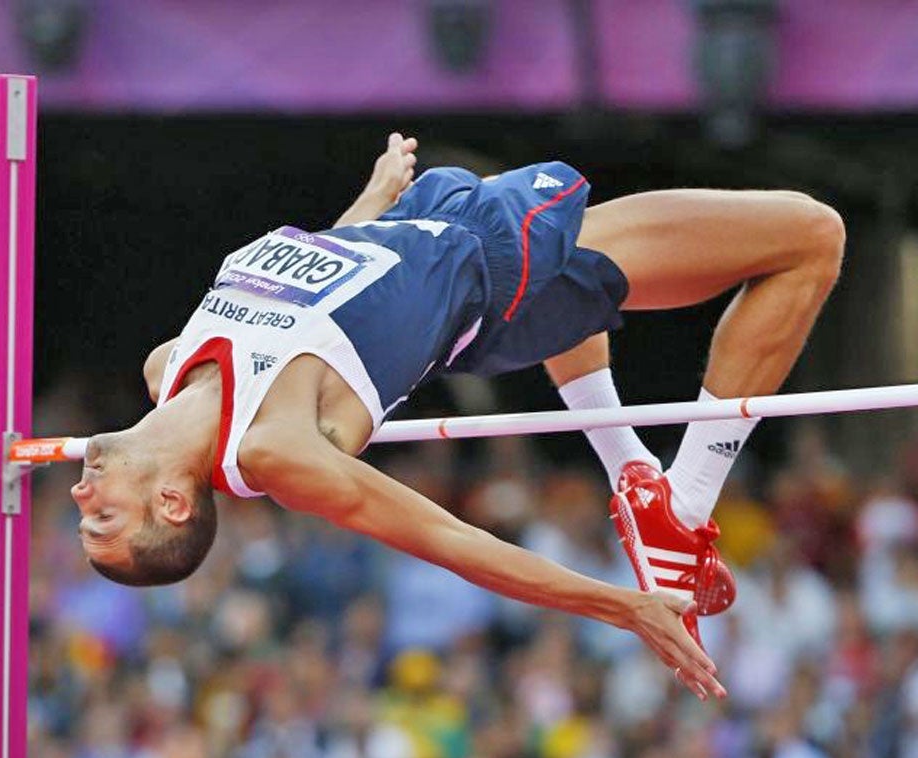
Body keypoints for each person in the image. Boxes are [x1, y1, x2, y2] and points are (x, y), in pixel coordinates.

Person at [71, 133, 844, 701]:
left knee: (774, 241)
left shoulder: (167, 365)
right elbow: (450, 541)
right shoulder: (274, 449)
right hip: (494, 263)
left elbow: (325, 291)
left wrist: (373, 203)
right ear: (173, 502)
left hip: (443, 234)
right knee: (811, 237)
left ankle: (636, 476)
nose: (80, 498)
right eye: (103, 522)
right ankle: (686, 502)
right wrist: (622, 605)